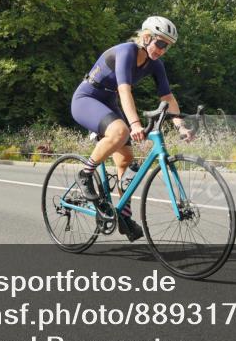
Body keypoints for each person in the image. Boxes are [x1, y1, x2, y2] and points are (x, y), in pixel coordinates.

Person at [71, 16, 193, 242]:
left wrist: (181, 127)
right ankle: (85, 173)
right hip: (86, 98)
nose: (163, 50)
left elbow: (168, 97)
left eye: (167, 46)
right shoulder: (126, 51)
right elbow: (124, 90)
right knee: (121, 131)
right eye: (160, 43)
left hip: (108, 103)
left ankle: (123, 216)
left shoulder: (155, 64)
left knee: (126, 162)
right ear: (146, 37)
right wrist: (135, 124)